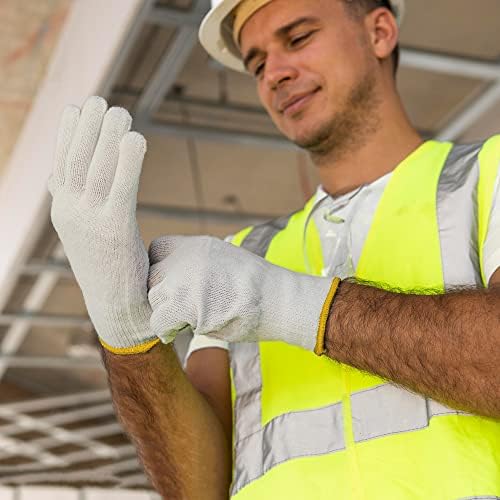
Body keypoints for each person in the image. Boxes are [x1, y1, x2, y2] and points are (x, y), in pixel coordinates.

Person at [48, 0, 500, 498]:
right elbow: (197, 489)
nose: (275, 75)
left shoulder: (488, 176)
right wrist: (124, 333)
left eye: (298, 37)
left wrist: (287, 304)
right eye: (257, 63)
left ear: (379, 32)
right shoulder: (244, 252)